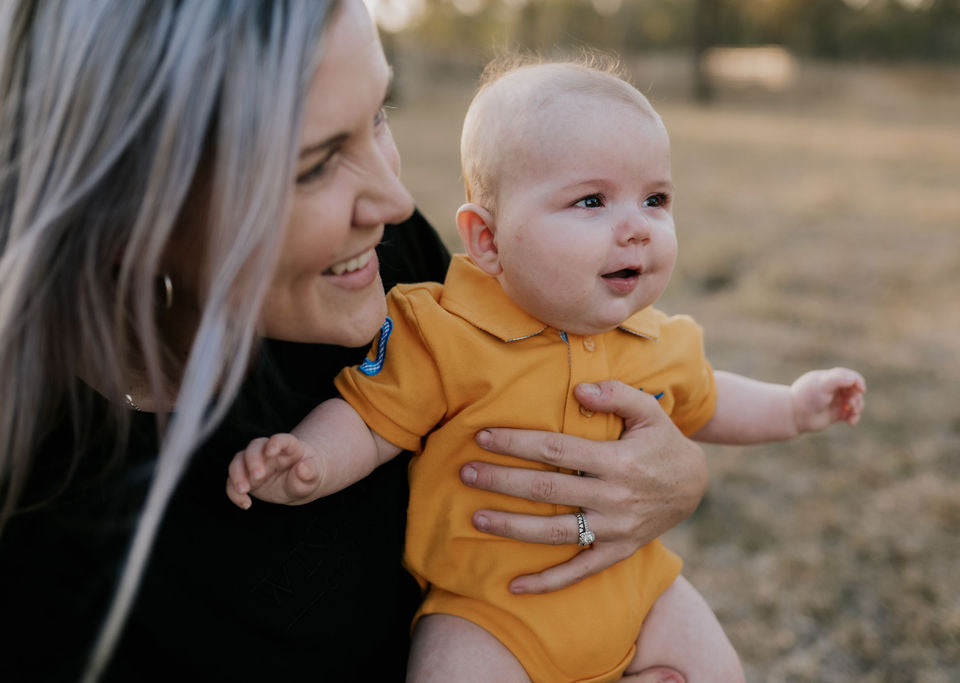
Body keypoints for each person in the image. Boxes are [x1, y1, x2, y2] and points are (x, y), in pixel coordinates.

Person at [0, 4, 708, 682]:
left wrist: (672, 479)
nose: (395, 201)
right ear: (128, 212)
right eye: (314, 164)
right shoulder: (42, 512)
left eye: (377, 117)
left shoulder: (387, 264)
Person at [226, 60, 867, 682]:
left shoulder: (654, 335)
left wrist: (792, 406)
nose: (637, 228)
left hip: (637, 591)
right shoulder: (441, 330)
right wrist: (310, 460)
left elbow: (706, 399)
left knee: (718, 668)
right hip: (488, 615)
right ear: (488, 240)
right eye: (591, 200)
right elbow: (371, 423)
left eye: (655, 199)